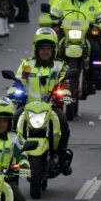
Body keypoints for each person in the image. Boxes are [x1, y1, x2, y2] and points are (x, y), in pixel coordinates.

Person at [14, 29, 73, 174]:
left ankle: (61, 155)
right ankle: (13, 157)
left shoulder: (61, 65)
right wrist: (15, 93)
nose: (45, 52)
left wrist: (65, 94)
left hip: (52, 108)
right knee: (14, 120)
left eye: (48, 49)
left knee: (63, 124)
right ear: (36, 49)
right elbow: (18, 82)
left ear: (54, 50)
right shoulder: (27, 64)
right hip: (28, 107)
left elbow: (66, 84)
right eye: (42, 48)